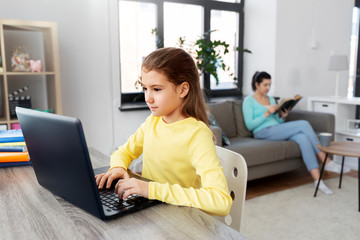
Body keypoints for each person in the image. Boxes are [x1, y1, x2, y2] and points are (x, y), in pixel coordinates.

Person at [95, 47, 232, 216]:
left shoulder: (197, 135)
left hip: (180, 219)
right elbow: (123, 152)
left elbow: (220, 201)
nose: (148, 98)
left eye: (157, 89)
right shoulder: (153, 122)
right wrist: (117, 167)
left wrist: (151, 189)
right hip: (152, 212)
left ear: (183, 90)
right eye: (145, 88)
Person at [242, 71, 351, 195]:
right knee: (303, 124)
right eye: (265, 85)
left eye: (269, 85)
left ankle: (318, 180)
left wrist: (283, 116)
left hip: (277, 129)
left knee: (302, 137)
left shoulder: (271, 99)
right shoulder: (249, 101)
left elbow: (277, 120)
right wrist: (267, 113)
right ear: (257, 85)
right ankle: (326, 160)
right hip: (262, 132)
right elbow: (249, 125)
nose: (268, 88)